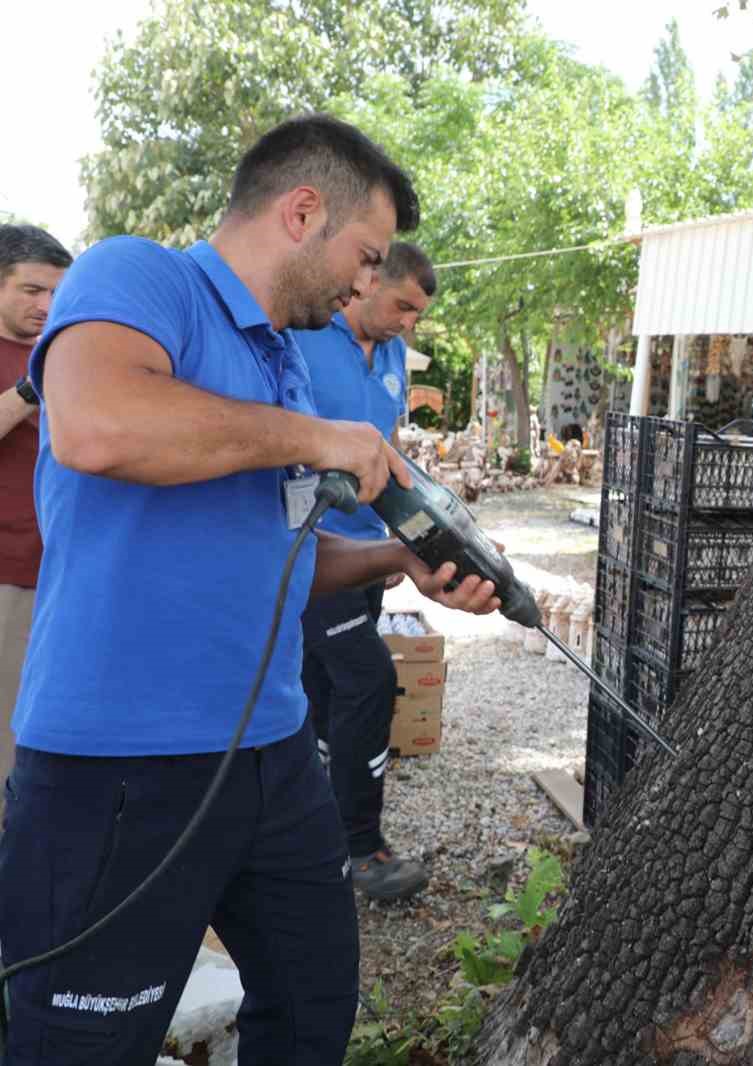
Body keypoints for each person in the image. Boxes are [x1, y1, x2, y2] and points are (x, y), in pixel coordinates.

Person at [0, 113, 501, 1065]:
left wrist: (401, 562)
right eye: (365, 254)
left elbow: (287, 561)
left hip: (274, 759)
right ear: (302, 211)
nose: (369, 281)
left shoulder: (283, 365)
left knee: (313, 1007)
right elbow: (98, 425)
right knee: (83, 1045)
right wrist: (317, 441)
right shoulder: (138, 276)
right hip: (120, 767)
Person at [291, 241, 435, 899]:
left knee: (322, 694)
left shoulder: (396, 353)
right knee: (369, 680)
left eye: (417, 314)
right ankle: (360, 848)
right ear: (369, 280)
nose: (409, 322)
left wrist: (405, 532)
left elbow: (390, 447)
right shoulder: (306, 335)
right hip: (309, 552)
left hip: (369, 552)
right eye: (403, 304)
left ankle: (311, 831)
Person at [0, 225, 71, 806]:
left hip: (64, 570)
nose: (46, 305)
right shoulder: (40, 367)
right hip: (7, 573)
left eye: (56, 292)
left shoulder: (67, 351)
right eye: (31, 290)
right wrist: (31, 387)